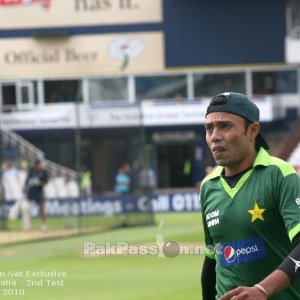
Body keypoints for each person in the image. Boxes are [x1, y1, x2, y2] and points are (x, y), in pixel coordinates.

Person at [200, 92, 300, 299]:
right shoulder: (208, 186)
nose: (215, 136)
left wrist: (262, 290)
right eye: (209, 128)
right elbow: (212, 258)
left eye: (225, 126)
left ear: (252, 131)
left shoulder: (280, 175)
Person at [24, 160, 48, 231]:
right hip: (31, 191)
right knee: (26, 208)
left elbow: (46, 181)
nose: (38, 166)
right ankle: (28, 225)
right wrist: (30, 182)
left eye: (39, 165)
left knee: (42, 209)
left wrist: (40, 183)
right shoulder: (31, 171)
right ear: (35, 165)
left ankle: (43, 225)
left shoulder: (44, 172)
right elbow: (27, 181)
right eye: (37, 165)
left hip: (40, 191)